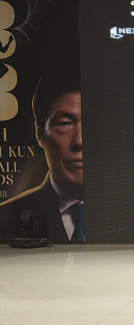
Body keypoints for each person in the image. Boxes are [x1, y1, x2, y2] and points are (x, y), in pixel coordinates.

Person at [0, 69, 83, 242]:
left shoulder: (133, 210)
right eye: (64, 123)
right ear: (39, 133)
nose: (79, 141)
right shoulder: (5, 220)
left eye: (91, 123)